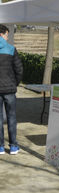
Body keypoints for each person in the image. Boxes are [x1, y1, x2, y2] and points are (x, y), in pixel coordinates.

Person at [0, 24, 23, 155]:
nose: (8, 37)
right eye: (7, 35)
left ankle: (0, 147)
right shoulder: (11, 49)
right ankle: (13, 146)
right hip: (9, 89)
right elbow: (19, 70)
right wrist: (15, 83)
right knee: (11, 117)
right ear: (2, 34)